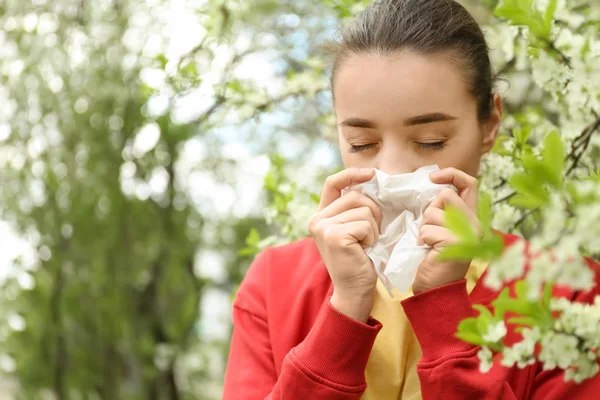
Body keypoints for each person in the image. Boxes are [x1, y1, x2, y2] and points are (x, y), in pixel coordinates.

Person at [223, 0, 600, 399]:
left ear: (489, 126)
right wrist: (344, 310)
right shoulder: (274, 284)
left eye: (430, 142)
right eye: (361, 144)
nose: (394, 172)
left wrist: (444, 310)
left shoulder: (570, 294)